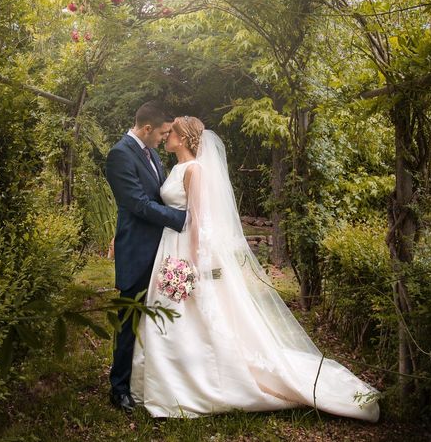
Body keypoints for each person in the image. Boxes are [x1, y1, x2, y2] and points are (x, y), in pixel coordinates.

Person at [129, 116, 380, 421]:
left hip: (183, 250)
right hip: (169, 245)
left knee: (189, 313)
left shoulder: (194, 170)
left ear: (182, 139)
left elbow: (199, 220)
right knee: (170, 313)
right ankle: (168, 384)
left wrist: (193, 263)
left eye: (172, 133)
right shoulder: (177, 168)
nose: (166, 135)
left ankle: (195, 385)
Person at [104, 102, 187, 413]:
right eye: (162, 133)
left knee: (158, 315)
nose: (164, 140)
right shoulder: (119, 154)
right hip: (137, 248)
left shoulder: (151, 154)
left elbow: (158, 194)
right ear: (148, 129)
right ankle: (119, 388)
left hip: (163, 248)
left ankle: (152, 378)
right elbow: (137, 203)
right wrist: (181, 218)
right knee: (129, 319)